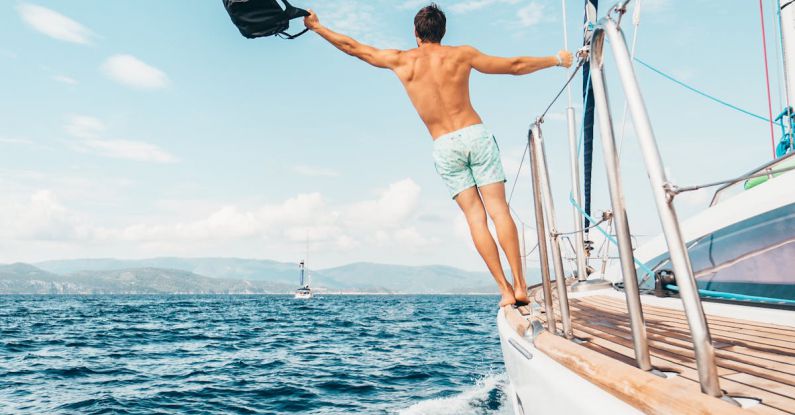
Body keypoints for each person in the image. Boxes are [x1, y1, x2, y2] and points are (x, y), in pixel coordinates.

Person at [304, 3, 573, 307]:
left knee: (476, 217)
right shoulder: (462, 55)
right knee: (499, 210)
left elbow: (354, 48)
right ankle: (522, 285)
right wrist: (555, 59)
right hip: (475, 133)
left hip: (445, 144)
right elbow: (514, 65)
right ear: (442, 32)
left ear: (416, 33)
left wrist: (317, 27)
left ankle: (505, 291)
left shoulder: (402, 61)